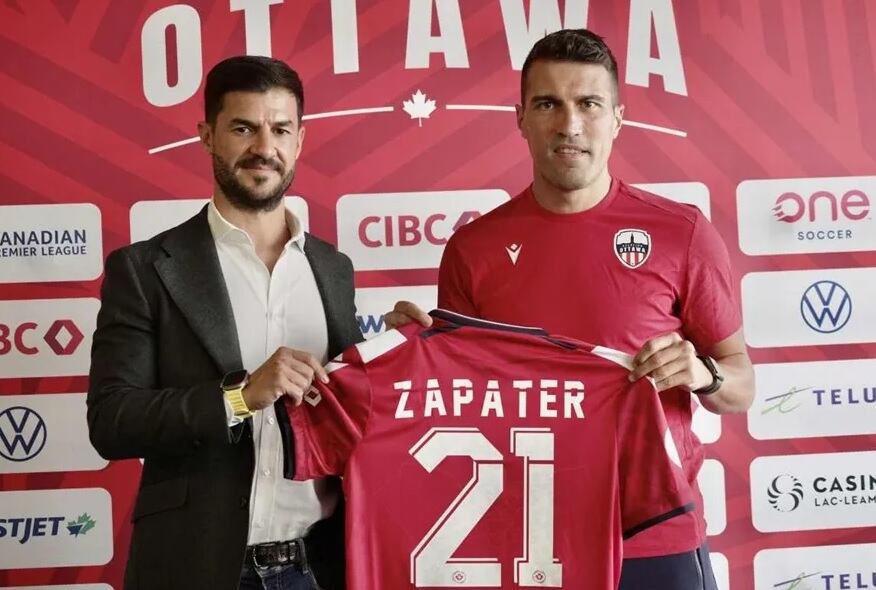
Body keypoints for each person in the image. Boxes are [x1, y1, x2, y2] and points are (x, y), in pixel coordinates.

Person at [384, 29, 754, 590]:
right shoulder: (473, 249)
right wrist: (408, 358)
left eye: (589, 104)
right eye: (547, 104)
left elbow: (741, 385)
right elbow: (462, 404)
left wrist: (704, 374)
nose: (569, 124)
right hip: (527, 541)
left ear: (618, 118)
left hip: (654, 539)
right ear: (521, 118)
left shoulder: (682, 232)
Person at [87, 56, 361, 590]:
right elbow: (112, 420)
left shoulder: (333, 268)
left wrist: (399, 349)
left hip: (321, 567)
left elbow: (348, 408)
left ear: (300, 140)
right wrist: (239, 396)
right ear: (207, 136)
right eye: (243, 128)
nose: (264, 147)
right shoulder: (145, 269)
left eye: (280, 129)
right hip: (196, 567)